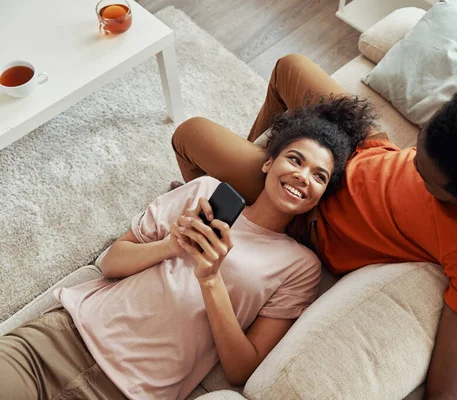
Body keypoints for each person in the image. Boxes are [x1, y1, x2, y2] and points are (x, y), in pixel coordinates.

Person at [169, 37, 457, 399]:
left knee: (191, 134)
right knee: (289, 67)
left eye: (428, 179)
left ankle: (235, 194)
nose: (413, 165)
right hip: (366, 145)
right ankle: (260, 164)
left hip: (314, 209)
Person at [0, 96, 376, 400]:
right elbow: (111, 263)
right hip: (61, 337)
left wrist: (210, 279)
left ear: (322, 195)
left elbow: (241, 369)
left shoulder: (301, 267)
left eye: (319, 176)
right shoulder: (205, 192)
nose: (302, 176)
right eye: (295, 159)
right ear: (268, 163)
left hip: (131, 390)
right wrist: (170, 245)